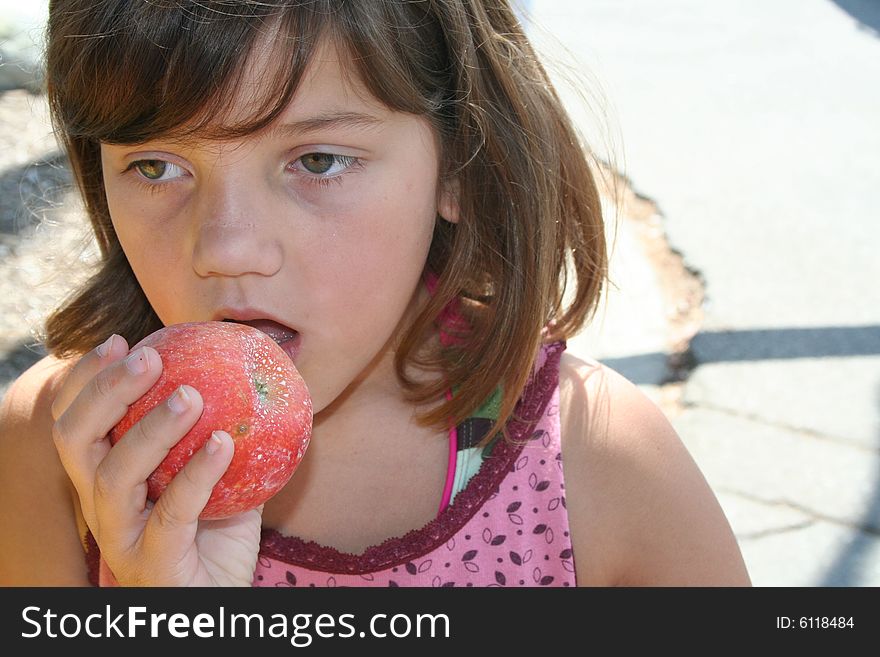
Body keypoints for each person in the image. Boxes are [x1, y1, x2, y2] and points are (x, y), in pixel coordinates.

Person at [0, 0, 750, 587]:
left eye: (319, 159)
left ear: (459, 161)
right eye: (156, 166)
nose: (225, 247)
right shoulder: (57, 452)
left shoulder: (594, 464)